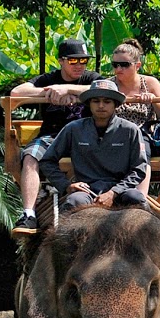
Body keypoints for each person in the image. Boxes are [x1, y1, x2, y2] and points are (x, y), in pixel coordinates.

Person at [9, 39, 97, 235]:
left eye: (84, 61)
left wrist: (70, 90)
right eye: (74, 61)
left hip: (83, 136)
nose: (80, 65)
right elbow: (16, 93)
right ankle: (28, 214)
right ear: (61, 61)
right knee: (31, 156)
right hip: (52, 136)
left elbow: (109, 87)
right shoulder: (49, 79)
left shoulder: (90, 78)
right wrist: (51, 91)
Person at [36, 78, 150, 214]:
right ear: (89, 104)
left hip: (121, 190)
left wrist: (114, 192)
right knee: (74, 202)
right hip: (86, 191)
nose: (101, 105)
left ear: (116, 105)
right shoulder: (73, 129)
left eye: (107, 101)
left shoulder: (131, 130)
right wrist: (66, 185)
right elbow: (47, 160)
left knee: (136, 198)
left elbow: (139, 168)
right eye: (96, 101)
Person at [108, 39, 160, 128]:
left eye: (124, 65)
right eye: (115, 64)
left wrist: (154, 100)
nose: (118, 69)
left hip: (144, 136)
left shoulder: (150, 83)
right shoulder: (108, 85)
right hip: (114, 135)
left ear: (137, 66)